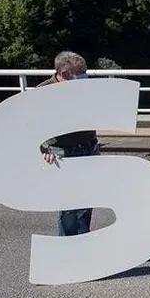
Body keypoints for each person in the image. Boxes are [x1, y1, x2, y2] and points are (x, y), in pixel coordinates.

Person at [38, 51, 99, 236]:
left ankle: (83, 241)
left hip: (88, 147)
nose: (84, 77)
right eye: (80, 73)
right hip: (63, 152)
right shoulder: (43, 93)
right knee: (69, 205)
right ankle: (67, 245)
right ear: (64, 74)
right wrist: (44, 149)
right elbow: (32, 126)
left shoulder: (85, 88)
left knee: (87, 200)